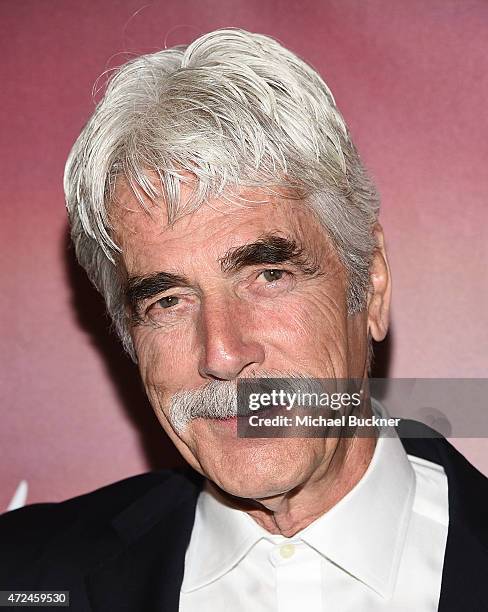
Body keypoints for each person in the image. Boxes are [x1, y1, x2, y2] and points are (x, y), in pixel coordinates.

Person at [1, 28, 486, 612]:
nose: (222, 353)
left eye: (268, 275)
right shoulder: (22, 575)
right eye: (168, 301)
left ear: (371, 283)